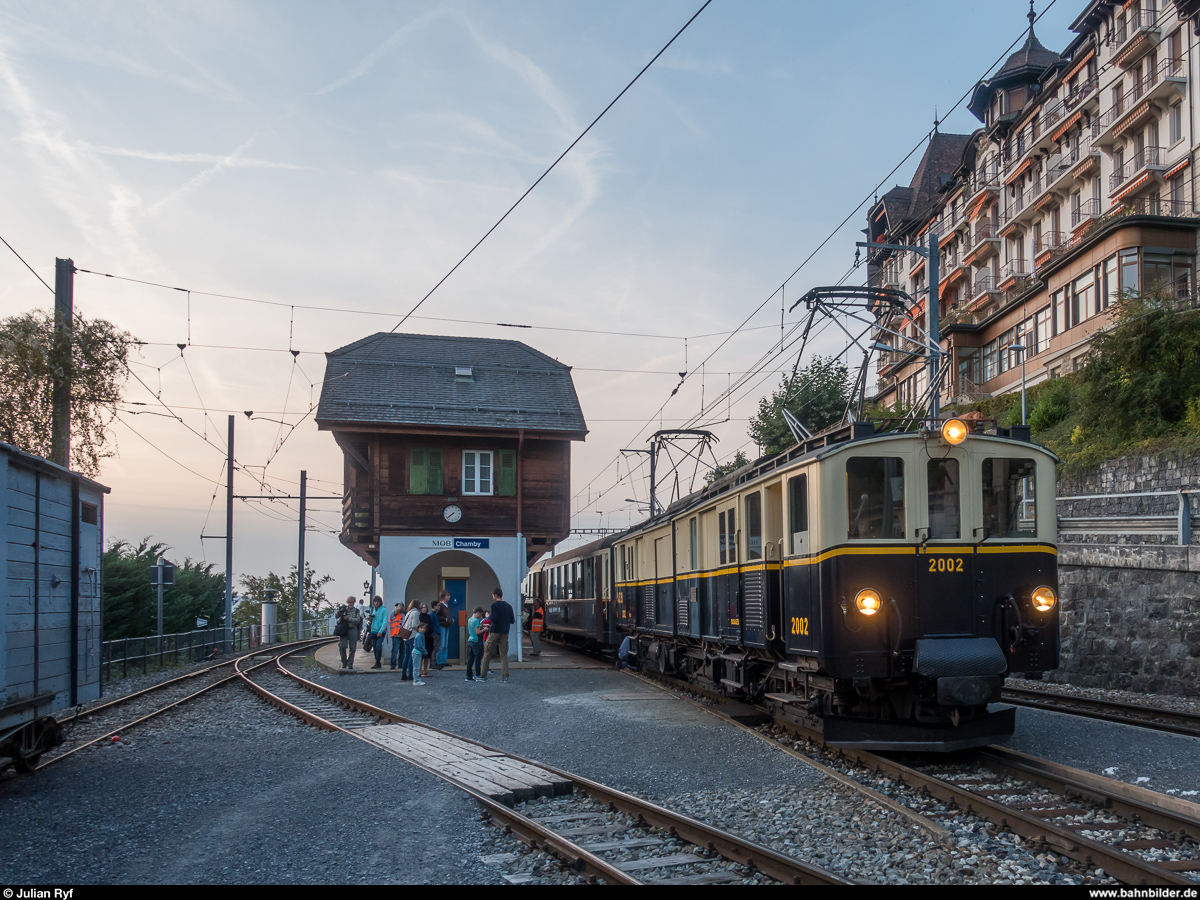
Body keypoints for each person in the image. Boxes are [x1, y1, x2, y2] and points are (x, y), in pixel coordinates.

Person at [480, 587, 515, 683]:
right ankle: (505, 676)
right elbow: (512, 620)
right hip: (505, 632)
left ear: (495, 595)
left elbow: (494, 618)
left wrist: (488, 617)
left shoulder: (494, 605)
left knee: (487, 651)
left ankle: (483, 675)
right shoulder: (509, 606)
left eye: (493, 595)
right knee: (503, 655)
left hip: (495, 631)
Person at [336, 596, 363, 669]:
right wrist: (339, 612)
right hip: (344, 629)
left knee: (353, 648)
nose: (351, 604)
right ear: (347, 602)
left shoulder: (356, 611)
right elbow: (337, 617)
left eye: (352, 602)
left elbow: (358, 620)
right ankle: (344, 662)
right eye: (350, 602)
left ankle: (350, 664)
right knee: (342, 646)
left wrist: (349, 619)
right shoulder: (344, 609)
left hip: (353, 628)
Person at [400, 600, 421, 681]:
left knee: (406, 656)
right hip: (412, 636)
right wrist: (419, 628)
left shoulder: (408, 612)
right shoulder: (415, 613)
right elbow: (414, 625)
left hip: (406, 637)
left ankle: (403, 674)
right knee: (412, 657)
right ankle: (410, 675)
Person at [366, 596, 388, 669]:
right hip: (373, 630)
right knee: (374, 647)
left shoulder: (384, 610)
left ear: (380, 602)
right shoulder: (372, 609)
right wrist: (370, 618)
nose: (376, 603)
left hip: (381, 630)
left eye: (378, 601)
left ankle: (378, 661)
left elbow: (384, 621)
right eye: (375, 601)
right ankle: (377, 662)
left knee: (378, 646)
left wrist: (380, 631)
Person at [465, 606, 485, 682]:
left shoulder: (470, 619)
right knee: (477, 659)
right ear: (478, 612)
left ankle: (468, 676)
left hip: (470, 640)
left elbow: (474, 628)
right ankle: (478, 675)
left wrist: (482, 626)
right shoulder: (476, 620)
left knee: (470, 659)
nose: (480, 616)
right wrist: (484, 630)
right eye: (480, 614)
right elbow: (477, 632)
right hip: (476, 641)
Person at [434, 591, 453, 668]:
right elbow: (437, 616)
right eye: (448, 595)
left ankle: (444, 661)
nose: (449, 597)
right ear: (444, 596)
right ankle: (439, 661)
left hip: (447, 625)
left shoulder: (447, 605)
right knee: (441, 645)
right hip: (442, 626)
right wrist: (444, 619)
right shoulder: (440, 605)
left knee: (445, 645)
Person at [417, 603, 435, 678]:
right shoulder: (419, 616)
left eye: (425, 607)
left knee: (427, 655)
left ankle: (425, 671)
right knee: (421, 655)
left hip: (428, 638)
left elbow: (431, 627)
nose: (424, 609)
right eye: (422, 607)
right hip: (421, 638)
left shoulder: (428, 616)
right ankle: (420, 671)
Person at [388, 601, 407, 669]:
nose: (401, 607)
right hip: (396, 635)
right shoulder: (393, 613)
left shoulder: (405, 614)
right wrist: (399, 608)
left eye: (402, 606)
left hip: (403, 635)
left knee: (403, 651)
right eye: (399, 606)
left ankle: (400, 664)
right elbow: (396, 612)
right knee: (395, 650)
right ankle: (393, 664)